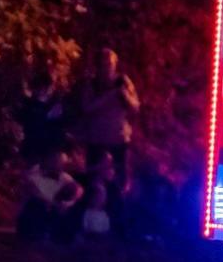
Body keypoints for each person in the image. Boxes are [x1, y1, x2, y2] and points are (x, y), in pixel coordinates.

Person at [75, 46, 140, 200]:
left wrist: (125, 95)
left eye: (110, 64)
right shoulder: (91, 84)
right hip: (97, 138)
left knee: (120, 179)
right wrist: (110, 96)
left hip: (118, 138)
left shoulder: (122, 81)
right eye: (103, 64)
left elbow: (135, 106)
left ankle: (117, 209)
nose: (107, 68)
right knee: (94, 177)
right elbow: (87, 107)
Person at [16, 52, 71, 166]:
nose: (46, 91)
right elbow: (29, 124)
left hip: (51, 151)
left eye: (49, 87)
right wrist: (46, 117)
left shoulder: (56, 103)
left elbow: (62, 126)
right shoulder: (29, 105)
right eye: (42, 87)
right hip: (34, 151)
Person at [18, 147, 83, 242]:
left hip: (55, 212)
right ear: (48, 160)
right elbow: (34, 193)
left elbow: (80, 190)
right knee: (37, 205)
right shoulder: (33, 174)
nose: (60, 166)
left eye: (61, 164)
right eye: (57, 162)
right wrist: (54, 204)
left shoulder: (64, 177)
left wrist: (67, 203)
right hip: (36, 211)